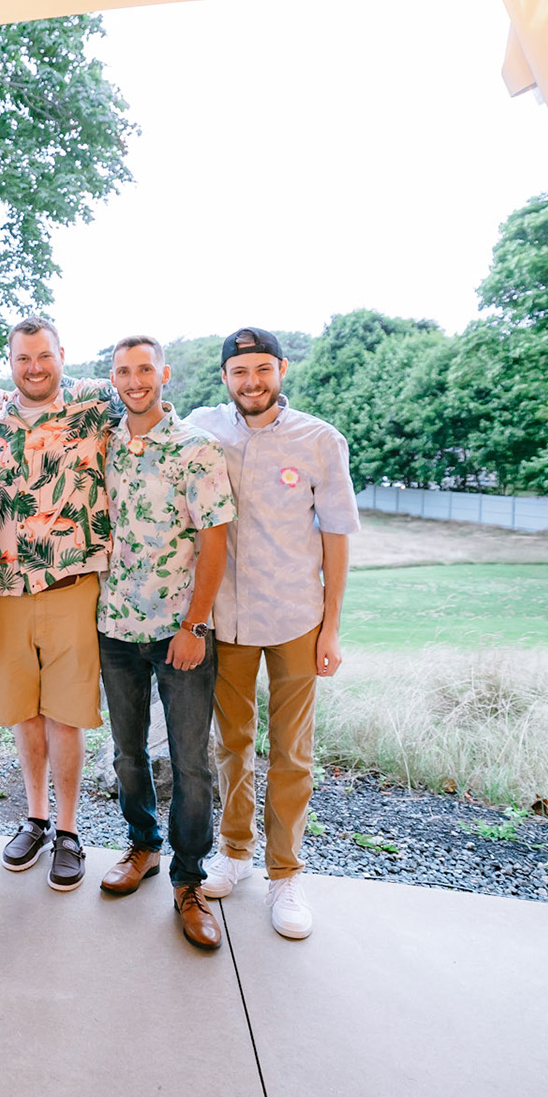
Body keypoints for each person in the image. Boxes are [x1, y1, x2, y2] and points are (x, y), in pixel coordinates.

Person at [188, 327, 359, 941]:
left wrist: (331, 629)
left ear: (281, 370)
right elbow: (132, 409)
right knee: (231, 743)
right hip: (228, 620)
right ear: (225, 378)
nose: (251, 381)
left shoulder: (320, 440)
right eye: (240, 372)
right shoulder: (202, 428)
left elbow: (336, 538)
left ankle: (285, 873)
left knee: (292, 752)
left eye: (262, 369)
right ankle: (235, 852)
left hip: (295, 620)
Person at [0, 317, 130, 892]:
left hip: (70, 587)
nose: (34, 368)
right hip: (4, 588)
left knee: (66, 713)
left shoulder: (94, 402)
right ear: (9, 361)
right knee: (25, 713)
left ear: (62, 355)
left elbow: (150, 402)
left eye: (44, 356)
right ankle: (34, 819)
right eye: (23, 358)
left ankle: (68, 830)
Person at [93, 336, 235, 950]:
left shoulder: (196, 449)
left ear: (164, 374)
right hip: (116, 627)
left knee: (191, 763)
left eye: (144, 369)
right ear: (113, 379)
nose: (134, 380)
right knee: (127, 754)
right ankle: (143, 846)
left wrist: (195, 625)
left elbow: (215, 542)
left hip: (180, 631)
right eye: (123, 371)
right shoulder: (105, 444)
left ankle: (189, 880)